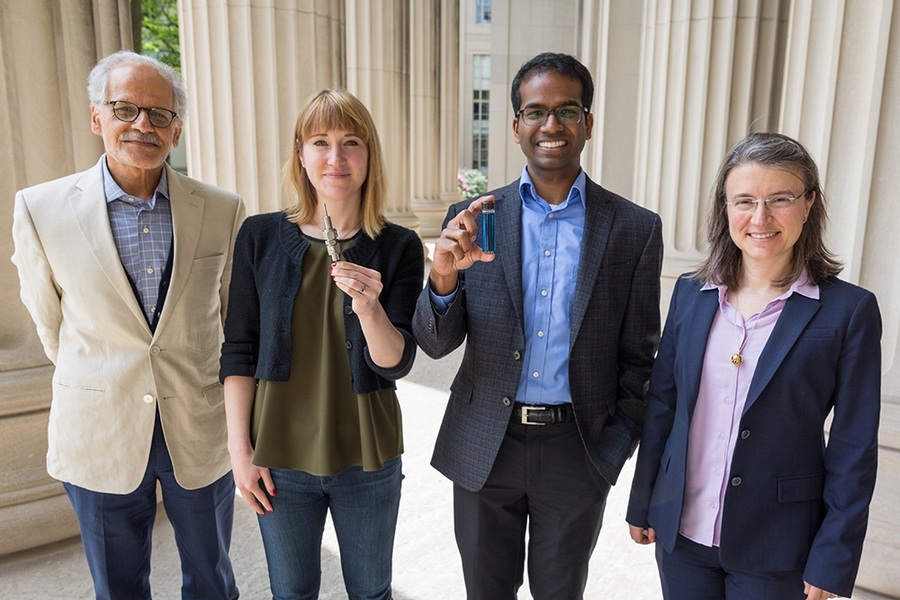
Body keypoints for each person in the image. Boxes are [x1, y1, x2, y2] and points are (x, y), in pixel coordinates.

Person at [413, 52, 664, 599]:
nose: (550, 125)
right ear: (516, 126)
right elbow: (435, 344)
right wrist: (442, 279)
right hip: (485, 446)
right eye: (535, 112)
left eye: (566, 111)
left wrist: (608, 454)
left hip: (577, 449)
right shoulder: (479, 218)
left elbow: (642, 359)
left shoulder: (632, 229)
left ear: (588, 123)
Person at [11, 50, 244, 599]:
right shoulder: (40, 208)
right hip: (99, 428)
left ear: (177, 130)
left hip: (199, 426)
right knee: (117, 587)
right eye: (125, 109)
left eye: (159, 114)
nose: (142, 124)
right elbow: (49, 323)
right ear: (98, 118)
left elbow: (234, 319)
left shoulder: (222, 209)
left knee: (213, 580)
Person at [626, 132, 882, 600]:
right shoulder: (691, 292)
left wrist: (833, 557)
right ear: (725, 209)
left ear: (809, 205)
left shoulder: (849, 311)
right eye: (744, 200)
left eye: (779, 199)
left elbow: (854, 446)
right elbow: (663, 404)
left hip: (779, 545)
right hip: (683, 535)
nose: (760, 218)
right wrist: (643, 502)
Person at [220, 88, 424, 600]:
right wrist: (240, 451)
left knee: (371, 592)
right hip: (279, 455)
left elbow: (395, 362)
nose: (336, 158)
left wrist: (369, 307)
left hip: (367, 454)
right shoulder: (260, 236)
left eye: (351, 141)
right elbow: (239, 348)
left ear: (369, 155)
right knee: (291, 594)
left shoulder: (397, 245)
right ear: (301, 154)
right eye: (320, 142)